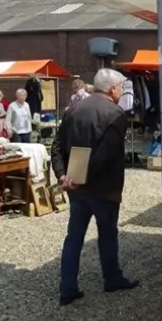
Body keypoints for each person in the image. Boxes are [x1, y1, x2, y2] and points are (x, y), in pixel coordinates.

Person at [52, 68, 138, 306]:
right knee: (107, 234)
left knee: (74, 237)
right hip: (102, 187)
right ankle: (112, 278)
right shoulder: (116, 113)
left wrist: (63, 175)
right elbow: (106, 154)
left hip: (77, 187)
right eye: (121, 87)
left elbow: (56, 145)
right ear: (112, 89)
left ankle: (67, 287)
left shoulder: (73, 109)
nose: (122, 91)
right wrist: (80, 177)